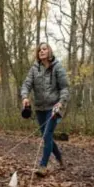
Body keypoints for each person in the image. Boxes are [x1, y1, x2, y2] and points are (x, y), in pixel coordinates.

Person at [21, 42, 70, 176]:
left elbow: (65, 88)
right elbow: (26, 84)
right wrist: (25, 97)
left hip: (53, 107)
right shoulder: (34, 69)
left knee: (47, 135)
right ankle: (60, 158)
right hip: (39, 108)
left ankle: (43, 166)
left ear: (49, 52)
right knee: (46, 136)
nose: (41, 51)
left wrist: (61, 103)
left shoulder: (57, 67)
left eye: (44, 49)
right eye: (39, 50)